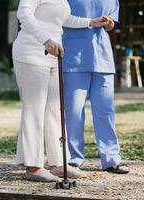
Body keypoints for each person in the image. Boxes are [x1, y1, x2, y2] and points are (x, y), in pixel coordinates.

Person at [12, 0, 109, 182]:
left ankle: (58, 164)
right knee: (34, 111)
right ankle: (33, 167)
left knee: (55, 111)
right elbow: (24, 14)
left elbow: (63, 19)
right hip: (31, 53)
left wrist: (91, 22)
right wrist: (45, 39)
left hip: (53, 54)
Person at [62, 0, 129, 174]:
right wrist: (90, 21)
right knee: (74, 111)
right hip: (74, 57)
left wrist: (108, 24)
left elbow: (110, 26)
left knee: (105, 110)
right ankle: (73, 158)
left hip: (103, 57)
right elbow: (60, 17)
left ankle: (111, 159)